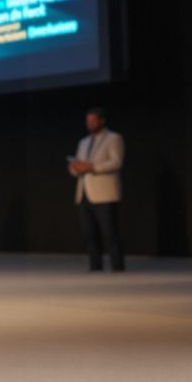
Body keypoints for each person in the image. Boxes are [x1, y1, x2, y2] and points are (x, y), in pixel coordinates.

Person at [68, 107, 125, 271]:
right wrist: (74, 168)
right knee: (89, 232)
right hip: (84, 192)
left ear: (102, 121)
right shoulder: (83, 142)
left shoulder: (114, 138)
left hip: (105, 193)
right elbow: (78, 164)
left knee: (110, 232)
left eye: (93, 121)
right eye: (88, 121)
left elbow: (116, 162)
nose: (90, 124)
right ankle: (95, 266)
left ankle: (117, 266)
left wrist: (91, 166)